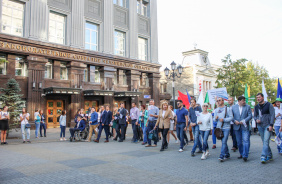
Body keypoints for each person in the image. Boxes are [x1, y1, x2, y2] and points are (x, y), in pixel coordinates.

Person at [254, 93, 275, 163]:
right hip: (260, 126)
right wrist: (256, 120)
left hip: (267, 125)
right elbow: (255, 116)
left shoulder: (269, 105)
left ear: (263, 97)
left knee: (266, 141)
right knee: (264, 142)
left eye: (259, 97)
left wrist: (271, 125)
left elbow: (272, 115)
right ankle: (270, 155)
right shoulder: (256, 107)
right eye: (257, 98)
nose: (258, 99)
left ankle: (263, 156)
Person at [232, 96, 252, 161]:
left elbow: (250, 116)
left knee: (246, 140)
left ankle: (245, 155)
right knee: (239, 142)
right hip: (237, 127)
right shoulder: (233, 107)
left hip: (245, 126)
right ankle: (241, 153)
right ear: (239, 101)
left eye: (244, 101)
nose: (244, 102)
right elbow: (231, 116)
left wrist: (244, 120)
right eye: (243, 101)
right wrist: (235, 121)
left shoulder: (247, 106)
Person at [214, 97, 233, 162]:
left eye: (219, 100)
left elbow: (231, 118)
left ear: (223, 101)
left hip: (226, 127)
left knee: (224, 141)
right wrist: (216, 118)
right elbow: (214, 119)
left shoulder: (228, 109)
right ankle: (227, 154)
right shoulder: (216, 110)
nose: (218, 101)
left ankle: (221, 156)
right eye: (217, 100)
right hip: (219, 128)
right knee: (223, 142)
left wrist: (224, 119)